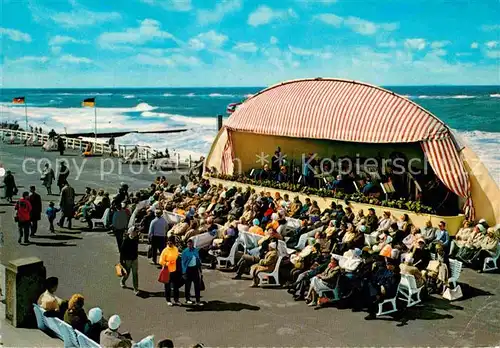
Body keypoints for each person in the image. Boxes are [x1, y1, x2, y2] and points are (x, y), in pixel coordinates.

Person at [159, 236, 180, 306]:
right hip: (167, 271)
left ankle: (176, 300)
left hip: (175, 270)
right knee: (167, 287)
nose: (170, 243)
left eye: (171, 242)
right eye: (169, 242)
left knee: (176, 286)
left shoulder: (176, 249)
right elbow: (161, 261)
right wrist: (167, 263)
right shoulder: (165, 250)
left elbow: (177, 257)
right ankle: (168, 300)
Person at [181, 239, 203, 305]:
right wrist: (183, 272)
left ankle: (198, 300)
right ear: (187, 244)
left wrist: (200, 270)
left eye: (191, 244)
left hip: (195, 269)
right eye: (188, 244)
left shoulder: (195, 250)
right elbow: (183, 262)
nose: (190, 245)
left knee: (197, 285)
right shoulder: (185, 252)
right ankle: (187, 299)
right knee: (188, 285)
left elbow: (198, 259)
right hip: (188, 269)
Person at [120, 227, 140, 295]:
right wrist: (121, 261)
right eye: (134, 231)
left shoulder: (136, 238)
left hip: (134, 259)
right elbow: (122, 251)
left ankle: (136, 289)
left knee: (135, 274)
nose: (136, 233)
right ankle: (123, 281)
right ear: (131, 232)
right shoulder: (126, 240)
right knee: (127, 273)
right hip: (128, 259)